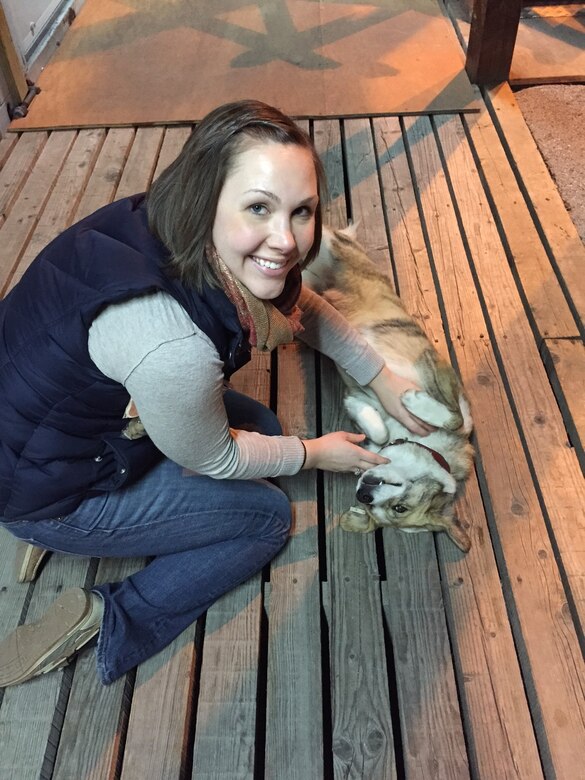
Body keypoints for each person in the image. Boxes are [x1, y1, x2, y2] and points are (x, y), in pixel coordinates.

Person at [0, 100, 431, 688]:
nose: (285, 239)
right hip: (51, 491)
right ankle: (112, 616)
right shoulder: (171, 345)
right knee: (266, 518)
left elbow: (295, 305)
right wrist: (317, 453)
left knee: (267, 432)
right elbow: (213, 457)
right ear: (210, 195)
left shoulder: (167, 222)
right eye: (259, 207)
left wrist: (382, 375)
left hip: (54, 426)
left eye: (301, 211)